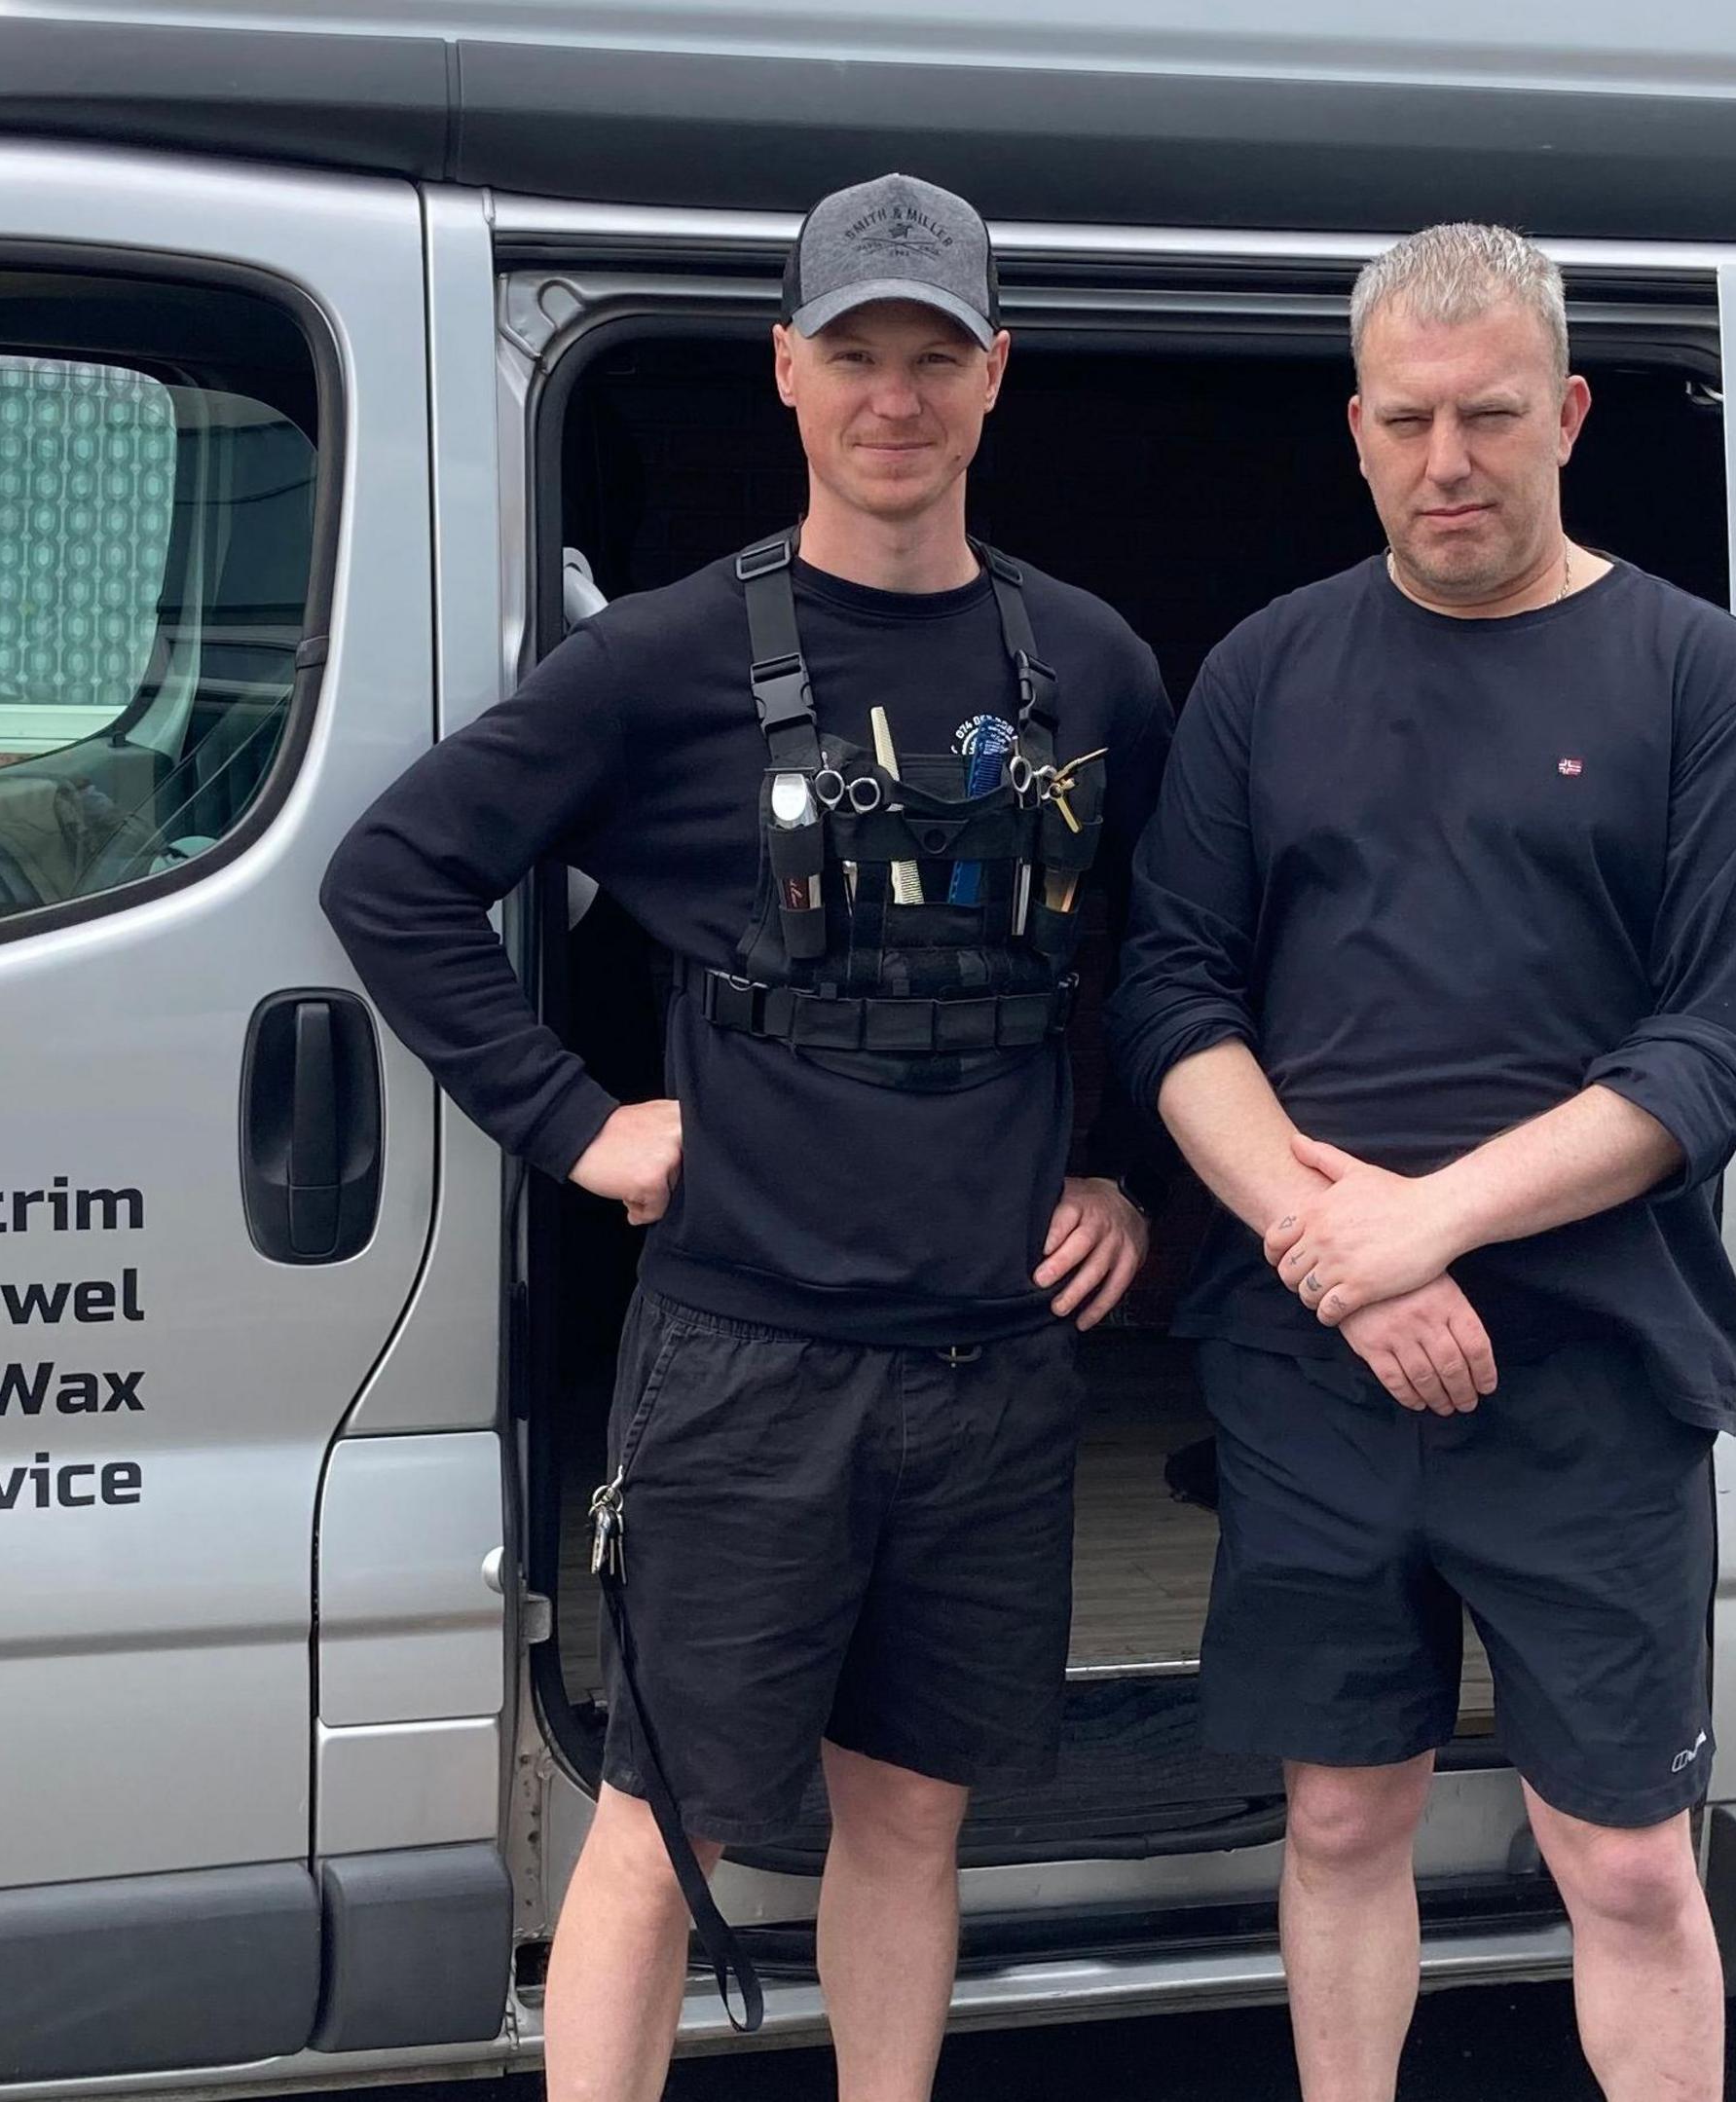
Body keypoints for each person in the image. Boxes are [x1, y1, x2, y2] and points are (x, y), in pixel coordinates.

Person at [320, 173, 1171, 2102]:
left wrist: (1129, 1177)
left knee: (909, 1824)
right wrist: (572, 1123)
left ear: (995, 376)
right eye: (855, 356)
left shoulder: (1098, 668)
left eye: (934, 359)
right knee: (663, 1826)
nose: (896, 397)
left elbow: (1163, 959)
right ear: (785, 374)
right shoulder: (664, 664)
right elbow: (398, 883)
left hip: (994, 1373)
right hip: (746, 1368)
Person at [1108, 222, 1736, 2102]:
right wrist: (1331, 1246)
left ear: (1569, 410)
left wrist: (1424, 1225)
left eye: (1492, 415)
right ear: (1354, 429)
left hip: (1595, 1376)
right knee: (1341, 1823)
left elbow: (1719, 1052)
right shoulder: (1265, 675)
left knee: (1627, 1859)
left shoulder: (1700, 680)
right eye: (1409, 421)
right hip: (1309, 1375)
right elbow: (1171, 997)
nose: (1450, 464)